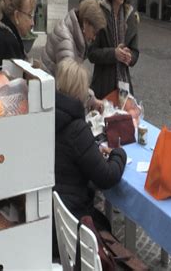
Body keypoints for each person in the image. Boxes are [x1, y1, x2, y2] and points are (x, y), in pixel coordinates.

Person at [53, 58, 126, 255]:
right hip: (72, 217)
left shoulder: (49, 116)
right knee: (104, 225)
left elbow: (72, 154)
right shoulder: (75, 128)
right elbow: (107, 177)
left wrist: (92, 149)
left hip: (55, 213)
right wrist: (119, 153)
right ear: (79, 91)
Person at [41, 0, 107, 110]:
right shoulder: (66, 40)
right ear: (86, 23)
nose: (94, 37)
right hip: (51, 98)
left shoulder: (70, 31)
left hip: (52, 93)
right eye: (94, 32)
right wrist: (92, 100)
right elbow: (71, 84)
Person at [88, 0, 139, 99]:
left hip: (124, 85)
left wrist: (130, 57)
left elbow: (135, 51)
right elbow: (92, 53)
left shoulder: (130, 15)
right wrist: (113, 54)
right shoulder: (99, 13)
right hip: (103, 85)